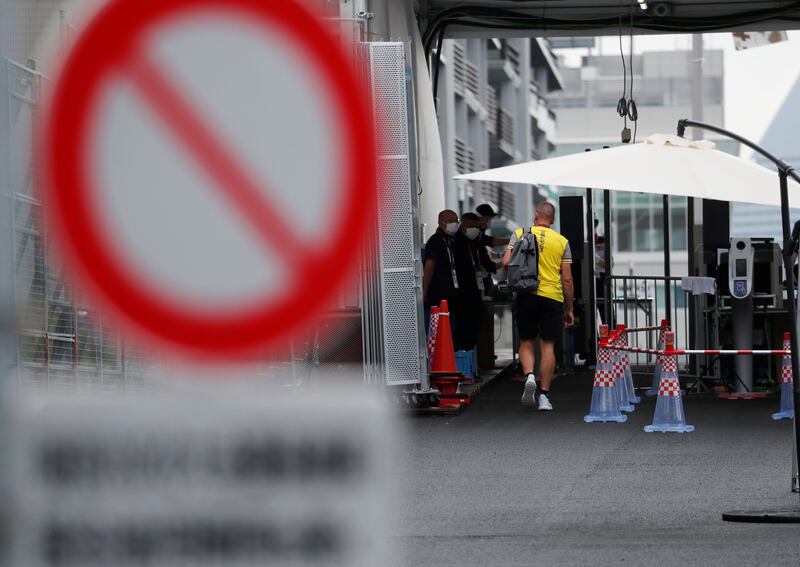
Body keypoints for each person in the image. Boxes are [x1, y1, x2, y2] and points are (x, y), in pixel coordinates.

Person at [502, 202, 575, 411]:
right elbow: (567, 279)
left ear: (536, 215)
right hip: (552, 296)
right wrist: (569, 308)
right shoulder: (562, 241)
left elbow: (506, 262)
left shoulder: (519, 233)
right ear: (553, 219)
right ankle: (544, 395)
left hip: (526, 293)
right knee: (548, 345)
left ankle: (530, 376)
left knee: (526, 340)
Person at [423, 210, 461, 329]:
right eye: (450, 221)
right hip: (438, 295)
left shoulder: (451, 240)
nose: (454, 223)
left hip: (451, 294)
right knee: (439, 329)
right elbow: (429, 267)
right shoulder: (435, 241)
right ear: (441, 222)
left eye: (456, 220)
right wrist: (424, 290)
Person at [452, 213, 484, 354]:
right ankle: (463, 357)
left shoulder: (474, 242)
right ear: (463, 225)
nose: (475, 229)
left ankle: (471, 359)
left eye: (476, 226)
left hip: (474, 292)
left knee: (473, 328)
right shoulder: (456, 243)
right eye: (472, 226)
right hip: (462, 294)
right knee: (463, 329)